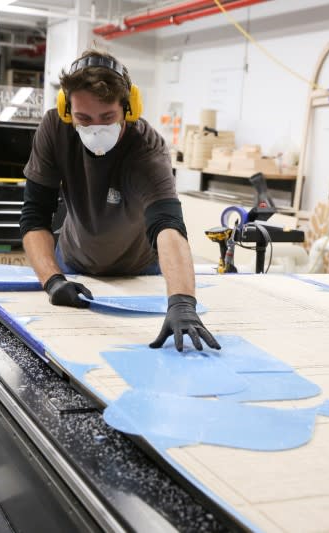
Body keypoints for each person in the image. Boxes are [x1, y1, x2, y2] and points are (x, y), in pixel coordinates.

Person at [20, 49, 220, 353]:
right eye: (83, 118)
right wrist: (52, 281)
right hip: (71, 267)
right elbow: (35, 216)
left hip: (138, 271)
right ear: (66, 110)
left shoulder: (146, 148)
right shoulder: (55, 130)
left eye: (107, 117)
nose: (95, 128)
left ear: (129, 108)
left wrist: (182, 302)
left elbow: (167, 225)